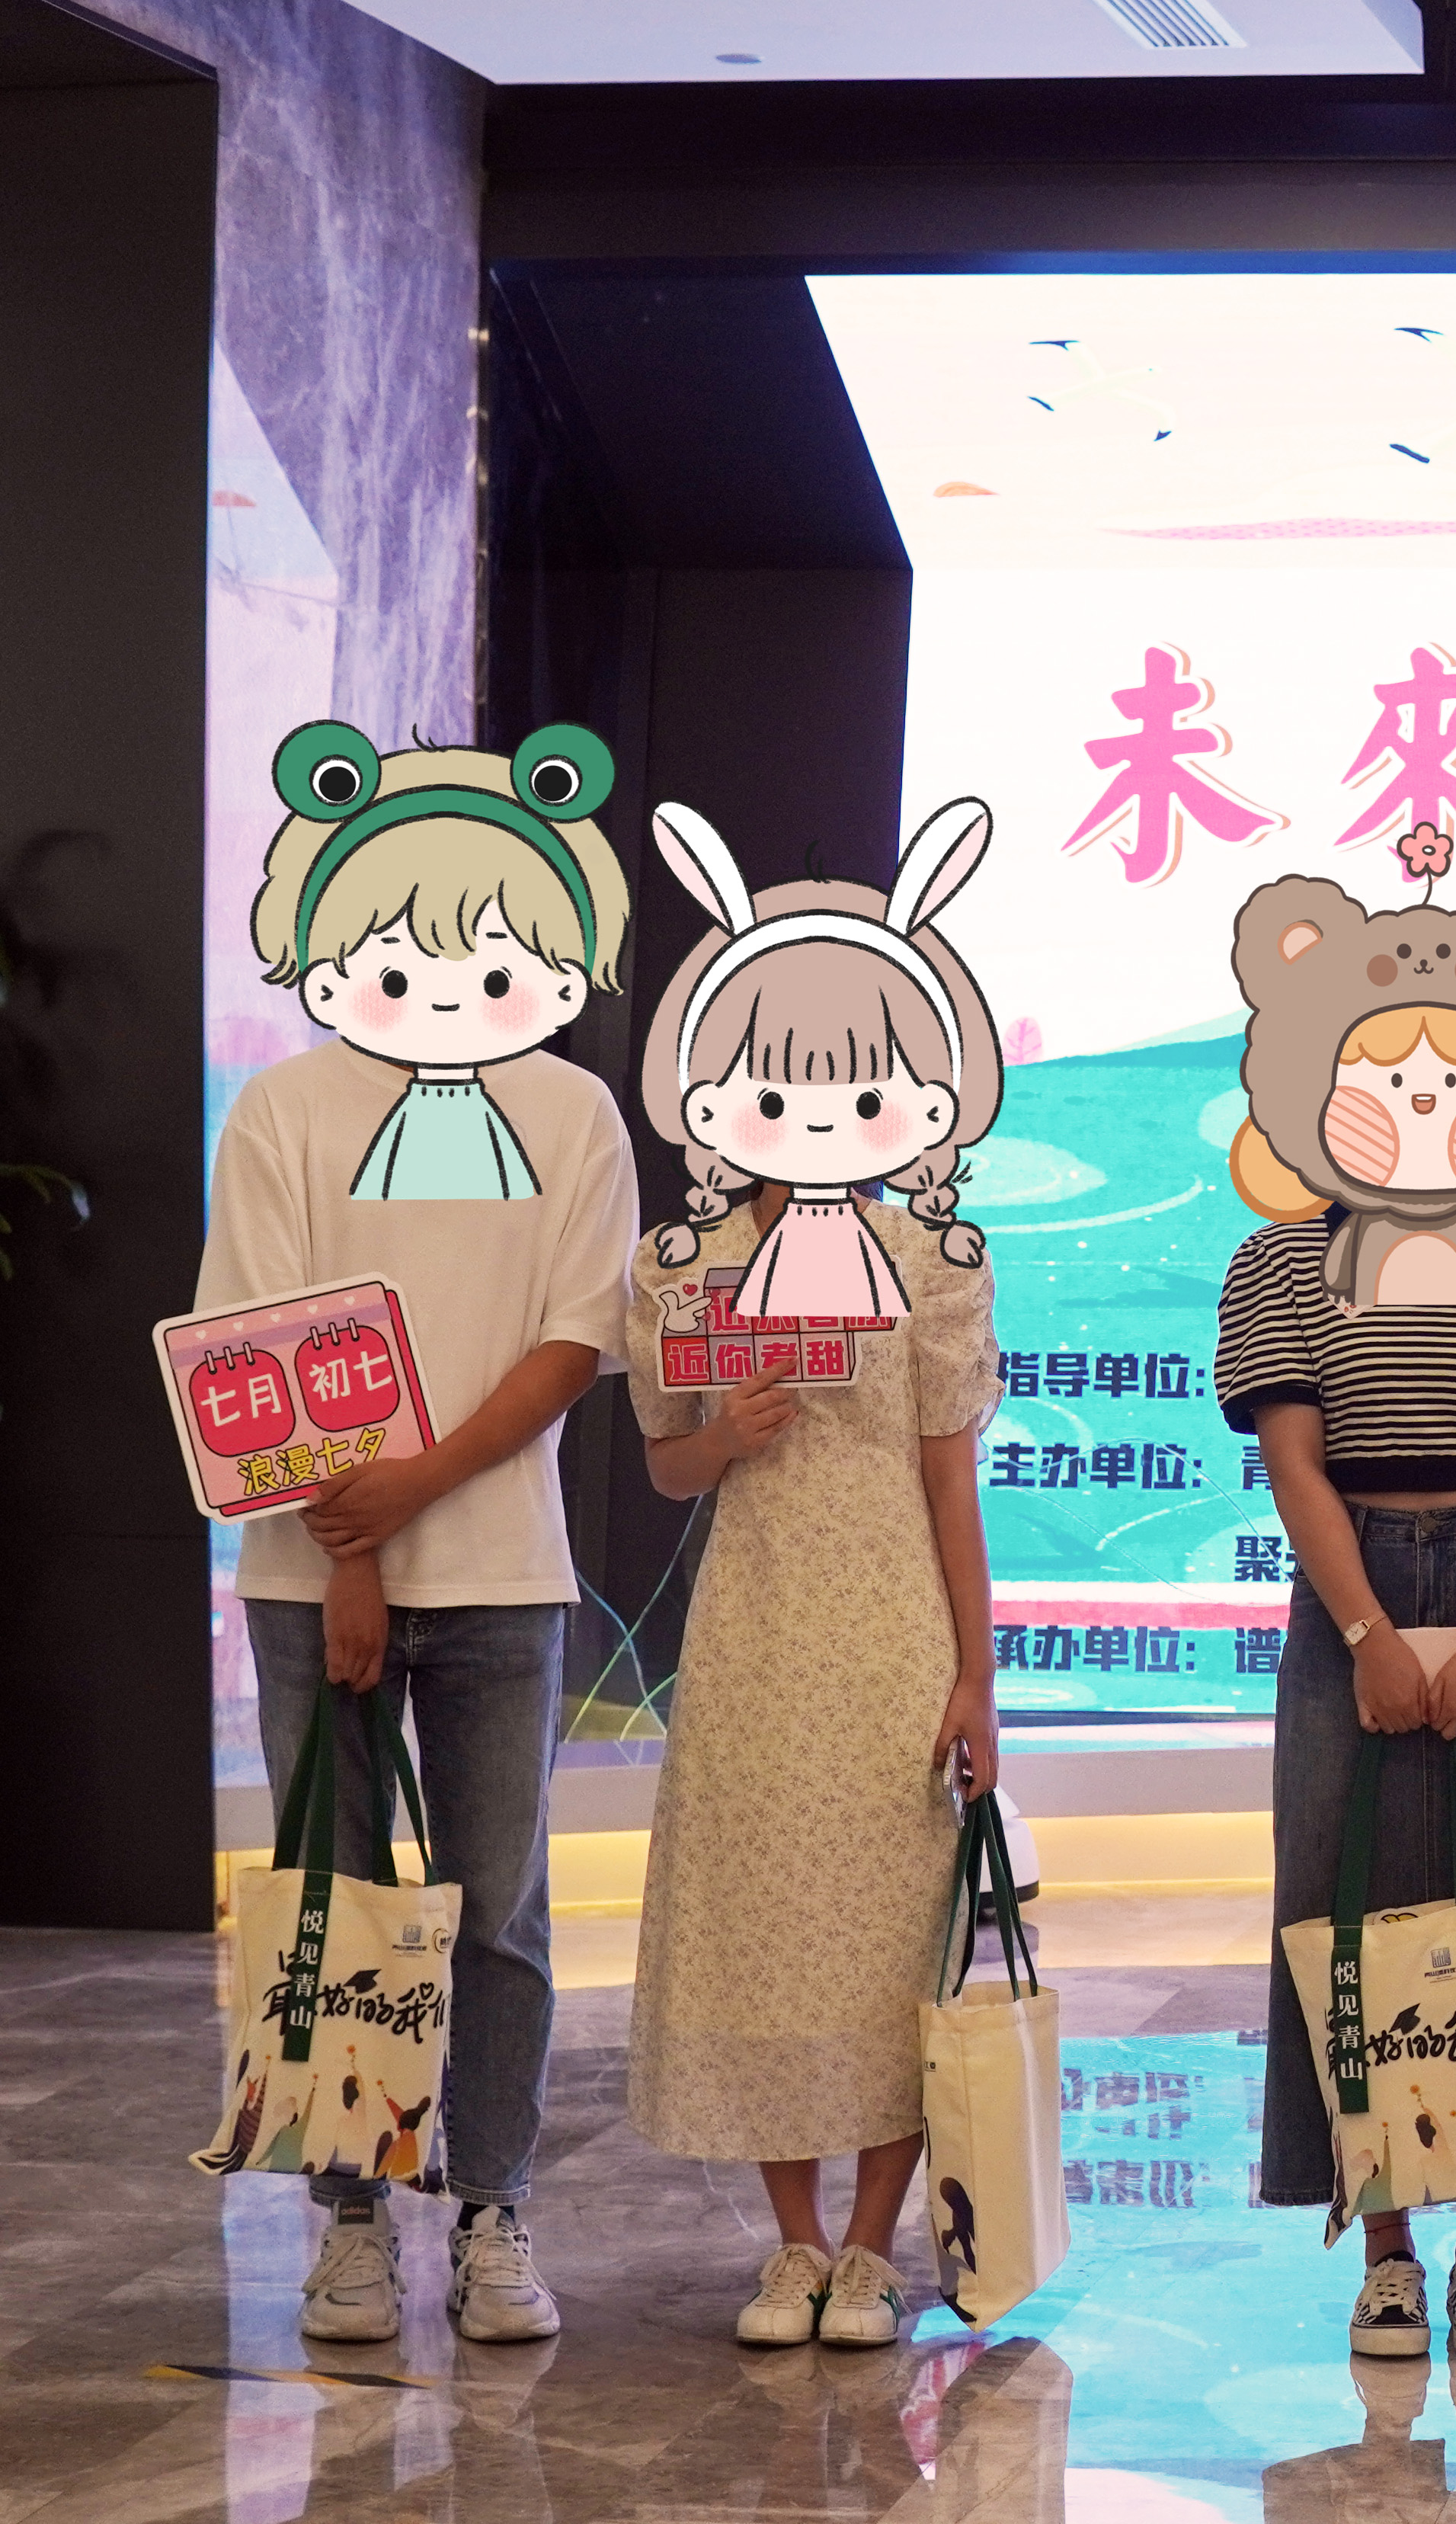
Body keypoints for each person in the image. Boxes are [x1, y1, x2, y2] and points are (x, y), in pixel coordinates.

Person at [203, 722, 642, 2346]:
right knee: (336, 1903)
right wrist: (355, 1558)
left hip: (506, 1576)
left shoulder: (575, 1112)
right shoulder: (285, 1111)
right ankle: (347, 2223)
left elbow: (573, 1342)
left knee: (499, 1908)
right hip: (314, 1575)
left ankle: (495, 2209)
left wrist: (408, 1495)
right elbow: (266, 1347)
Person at [622, 807, 1008, 2350]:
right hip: (755, 1626)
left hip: (891, 1627)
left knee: (892, 1936)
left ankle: (871, 2247)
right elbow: (666, 1467)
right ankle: (791, 2244)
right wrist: (722, 1436)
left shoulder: (930, 1262)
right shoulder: (687, 1266)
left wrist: (976, 1676)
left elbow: (950, 1478)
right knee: (762, 1932)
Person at [1214, 879, 1456, 2364]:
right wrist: (1371, 1633)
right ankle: (1384, 2247)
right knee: (1351, 1909)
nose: (1422, 1108)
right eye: (1383, 1080)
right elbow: (1294, 1461)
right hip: (1351, 1590)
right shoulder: (1278, 1259)